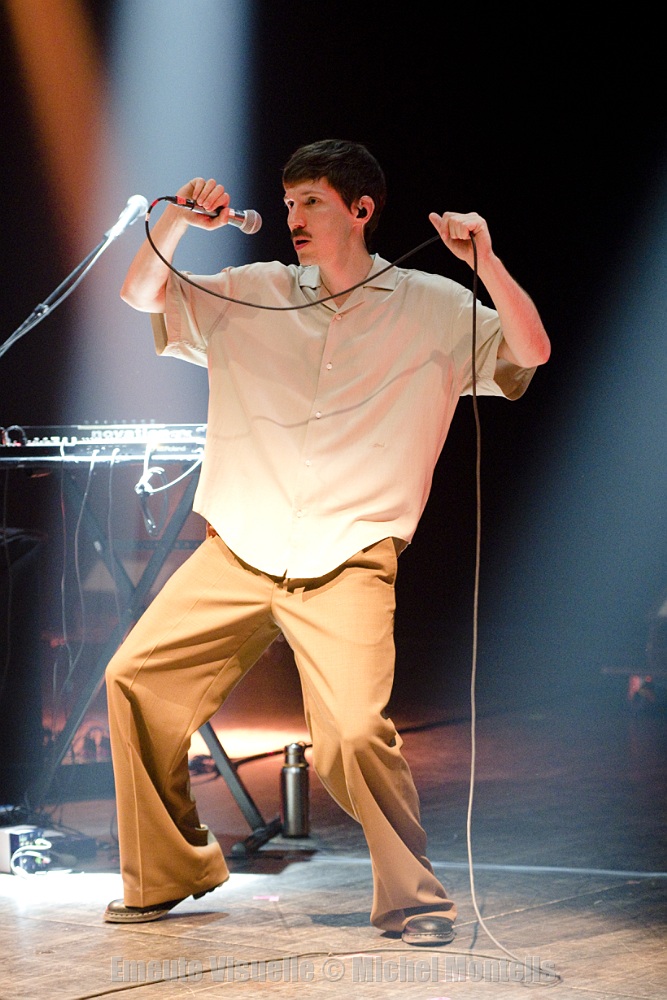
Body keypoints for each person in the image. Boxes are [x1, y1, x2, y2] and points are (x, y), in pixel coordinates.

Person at [103, 139, 550, 945]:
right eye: (286, 202)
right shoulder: (254, 291)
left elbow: (531, 351)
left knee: (351, 735)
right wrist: (174, 223)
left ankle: (414, 901)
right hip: (239, 548)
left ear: (360, 209)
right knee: (134, 680)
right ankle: (167, 873)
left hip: (348, 559)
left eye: (310, 200)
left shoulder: (431, 304)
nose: (292, 217)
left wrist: (483, 262)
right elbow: (141, 293)